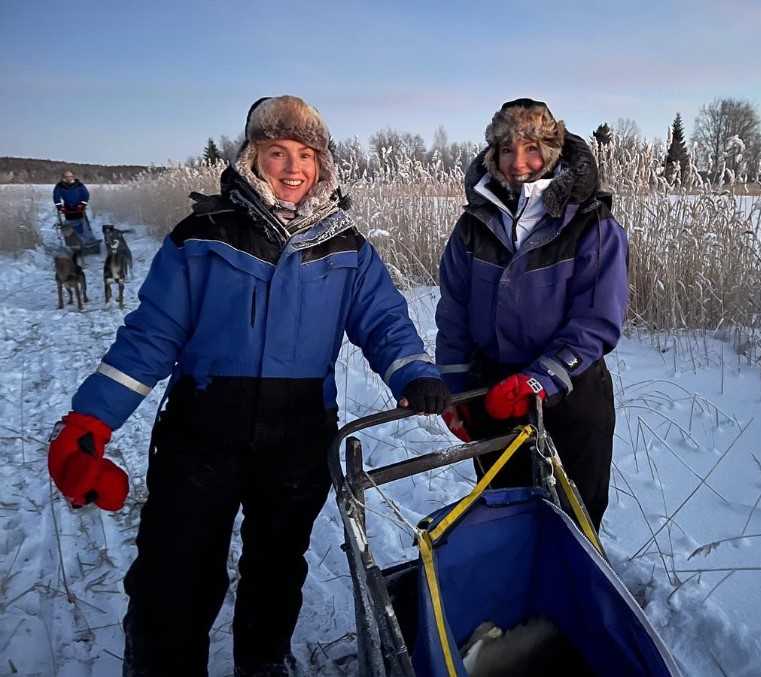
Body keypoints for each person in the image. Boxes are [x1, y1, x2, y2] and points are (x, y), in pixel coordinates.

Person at [47, 95, 450, 676]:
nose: (292, 167)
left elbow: (384, 322)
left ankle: (262, 660)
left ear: (323, 165)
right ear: (251, 158)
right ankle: (160, 659)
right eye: (277, 152)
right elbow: (151, 337)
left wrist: (413, 371)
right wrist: (92, 418)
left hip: (299, 431)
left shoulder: (348, 248)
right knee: (178, 562)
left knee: (278, 563)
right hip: (202, 426)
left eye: (306, 155)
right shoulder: (201, 237)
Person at [436, 98, 628, 531]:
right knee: (504, 513)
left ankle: (571, 595)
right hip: (493, 392)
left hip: (571, 394)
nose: (518, 163)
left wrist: (542, 378)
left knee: (573, 518)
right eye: (507, 150)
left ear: (553, 152)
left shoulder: (592, 225)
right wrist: (454, 386)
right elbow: (454, 311)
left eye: (532, 149)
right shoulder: (473, 225)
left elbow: (597, 321)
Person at [53, 170, 96, 240]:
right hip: (68, 208)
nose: (69, 178)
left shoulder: (79, 185)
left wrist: (82, 204)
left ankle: (88, 239)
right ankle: (73, 240)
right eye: (67, 177)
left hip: (79, 207)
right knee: (69, 225)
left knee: (83, 224)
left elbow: (86, 195)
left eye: (70, 176)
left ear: (73, 177)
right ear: (63, 177)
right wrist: (60, 207)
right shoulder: (60, 186)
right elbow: (56, 197)